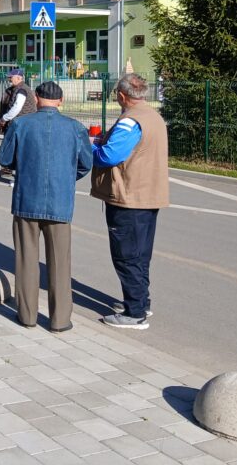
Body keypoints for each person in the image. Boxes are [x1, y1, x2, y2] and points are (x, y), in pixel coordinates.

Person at [0, 81, 92, 332]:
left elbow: (3, 158)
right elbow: (86, 163)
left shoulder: (20, 124)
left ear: (37, 99)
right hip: (60, 201)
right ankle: (60, 320)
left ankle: (27, 316)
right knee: (60, 263)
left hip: (26, 199)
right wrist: (66, 177)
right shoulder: (75, 128)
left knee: (26, 260)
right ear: (61, 101)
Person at [91, 73, 169, 330]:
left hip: (128, 197)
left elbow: (110, 156)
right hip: (149, 194)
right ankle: (141, 302)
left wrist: (90, 148)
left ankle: (134, 313)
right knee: (141, 255)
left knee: (126, 256)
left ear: (123, 96)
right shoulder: (154, 116)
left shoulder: (129, 121)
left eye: (116, 94)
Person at [0, 68, 37, 179]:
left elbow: (16, 107)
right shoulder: (19, 88)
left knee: (17, 149)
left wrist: (4, 118)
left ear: (19, 78)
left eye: (11, 77)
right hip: (22, 124)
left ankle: (19, 174)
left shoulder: (22, 90)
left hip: (21, 124)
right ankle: (11, 170)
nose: (9, 79)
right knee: (17, 149)